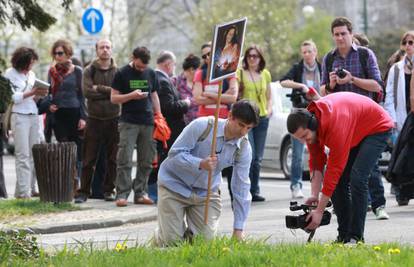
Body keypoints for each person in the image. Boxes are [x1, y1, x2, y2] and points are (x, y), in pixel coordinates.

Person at [287, 92, 393, 243]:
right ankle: (344, 236)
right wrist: (314, 196)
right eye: (300, 139)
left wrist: (319, 211)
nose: (305, 142)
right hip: (356, 129)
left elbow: (333, 171)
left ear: (313, 125)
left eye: (305, 137)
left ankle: (356, 238)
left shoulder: (335, 125)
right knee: (338, 185)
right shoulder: (312, 125)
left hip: (377, 127)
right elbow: (316, 162)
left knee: (358, 178)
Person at [155, 99, 259, 246]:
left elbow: (241, 186)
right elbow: (174, 154)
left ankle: (182, 234)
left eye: (248, 128)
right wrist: (199, 163)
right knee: (173, 244)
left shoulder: (243, 147)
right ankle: (162, 235)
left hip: (206, 192)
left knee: (204, 244)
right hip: (174, 185)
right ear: (230, 116)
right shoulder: (203, 126)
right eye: (241, 125)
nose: (243, 132)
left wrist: (238, 229)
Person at [321, 17, 389, 220]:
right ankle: (352, 210)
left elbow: (378, 86)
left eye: (343, 33)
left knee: (369, 168)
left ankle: (379, 205)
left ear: (351, 34)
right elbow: (323, 92)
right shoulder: (329, 59)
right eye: (336, 34)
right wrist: (332, 84)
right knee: (344, 170)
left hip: (367, 122)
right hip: (343, 125)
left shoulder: (365, 55)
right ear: (332, 36)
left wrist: (352, 79)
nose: (340, 37)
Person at [111, 46, 162, 207]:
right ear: (133, 58)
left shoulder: (151, 73)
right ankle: (122, 194)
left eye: (144, 67)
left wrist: (159, 115)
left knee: (146, 160)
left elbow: (154, 95)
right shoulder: (121, 73)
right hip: (128, 122)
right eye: (139, 66)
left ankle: (141, 192)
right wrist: (131, 96)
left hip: (147, 122)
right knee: (124, 158)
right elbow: (113, 98)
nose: (141, 69)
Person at [74, 39, 119, 203]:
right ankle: (83, 192)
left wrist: (99, 88)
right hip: (94, 119)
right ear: (96, 50)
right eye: (102, 47)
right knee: (88, 158)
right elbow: (87, 92)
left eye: (108, 47)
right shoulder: (89, 70)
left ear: (112, 50)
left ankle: (109, 190)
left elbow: (119, 92)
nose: (105, 50)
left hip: (114, 119)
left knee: (113, 159)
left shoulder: (118, 71)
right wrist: (111, 93)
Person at [3, 47, 47, 199]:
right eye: (29, 63)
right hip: (19, 115)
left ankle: (25, 189)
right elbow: (12, 97)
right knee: (22, 155)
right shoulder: (10, 74)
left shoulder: (32, 74)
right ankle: (24, 193)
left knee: (32, 155)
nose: (31, 66)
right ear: (22, 61)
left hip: (33, 114)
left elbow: (31, 97)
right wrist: (32, 92)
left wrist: (39, 94)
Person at [280, 40, 321, 199]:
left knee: (318, 152)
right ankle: (296, 185)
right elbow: (283, 81)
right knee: (297, 154)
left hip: (317, 112)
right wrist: (301, 86)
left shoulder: (322, 67)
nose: (307, 55)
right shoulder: (298, 68)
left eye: (309, 51)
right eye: (304, 52)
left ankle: (318, 186)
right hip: (299, 114)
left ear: (315, 51)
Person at [148, 51, 190, 202]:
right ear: (168, 64)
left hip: (163, 129)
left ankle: (156, 192)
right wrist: (186, 103)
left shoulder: (156, 77)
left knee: (160, 161)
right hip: (167, 130)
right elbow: (168, 107)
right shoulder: (162, 80)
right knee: (162, 162)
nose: (175, 68)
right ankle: (153, 193)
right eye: (174, 64)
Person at [48, 39, 87, 190]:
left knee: (76, 148)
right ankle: (66, 182)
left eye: (60, 53)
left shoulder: (77, 71)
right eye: (55, 53)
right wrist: (49, 104)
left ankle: (76, 182)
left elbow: (83, 95)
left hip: (74, 112)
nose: (57, 56)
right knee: (63, 147)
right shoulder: (52, 71)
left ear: (68, 53)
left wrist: (83, 117)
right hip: (58, 114)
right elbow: (49, 92)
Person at [237, 45, 272, 202]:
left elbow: (269, 95)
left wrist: (269, 109)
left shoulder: (265, 74)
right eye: (249, 56)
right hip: (246, 119)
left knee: (257, 158)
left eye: (255, 56)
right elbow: (236, 94)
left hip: (262, 118)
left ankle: (255, 190)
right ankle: (244, 190)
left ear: (260, 58)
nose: (252, 59)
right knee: (248, 155)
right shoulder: (240, 73)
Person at [384, 31, 414, 205]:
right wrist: (392, 118)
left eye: (412, 42)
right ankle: (401, 190)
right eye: (406, 42)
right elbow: (389, 94)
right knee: (401, 155)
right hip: (403, 118)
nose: (409, 45)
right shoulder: (397, 68)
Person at [193, 42, 238, 119]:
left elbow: (233, 98)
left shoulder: (230, 72)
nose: (207, 57)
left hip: (224, 118)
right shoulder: (200, 73)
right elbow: (197, 100)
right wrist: (223, 98)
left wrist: (208, 94)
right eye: (204, 56)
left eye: (209, 53)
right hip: (204, 118)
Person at [172, 54, 201, 125]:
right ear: (192, 70)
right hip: (182, 125)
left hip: (201, 124)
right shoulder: (175, 82)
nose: (201, 72)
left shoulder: (202, 82)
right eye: (199, 69)